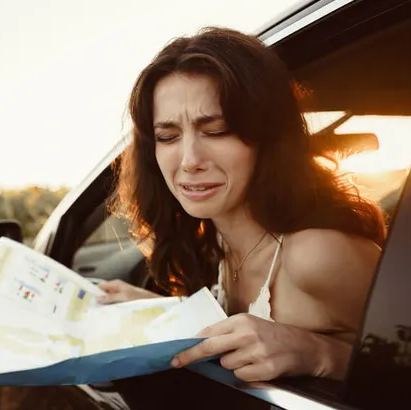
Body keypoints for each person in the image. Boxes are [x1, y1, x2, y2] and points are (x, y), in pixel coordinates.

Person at [96, 26, 386, 383]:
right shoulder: (212, 243)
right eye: (167, 137)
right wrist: (157, 313)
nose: (189, 160)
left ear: (267, 137)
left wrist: (319, 353)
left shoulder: (318, 254)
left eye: (216, 130)